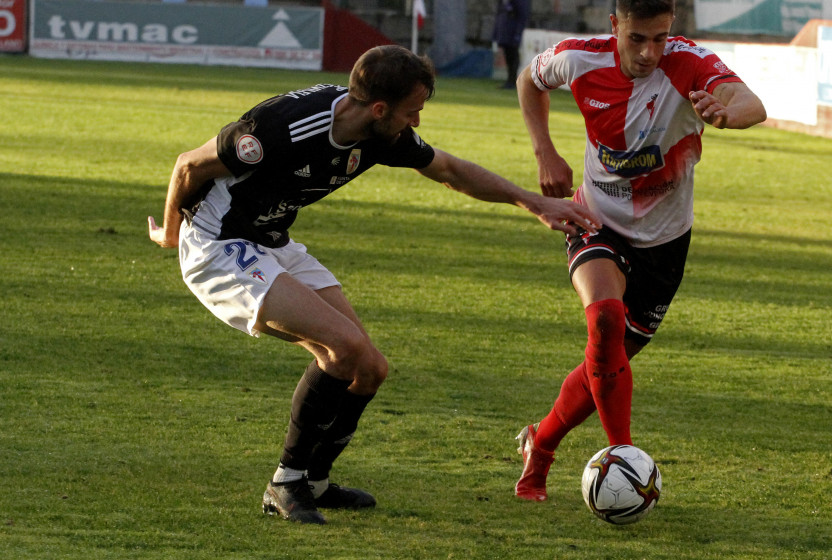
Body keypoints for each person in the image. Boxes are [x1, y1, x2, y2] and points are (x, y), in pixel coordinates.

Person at [147, 45, 600, 524]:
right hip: (219, 244)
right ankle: (285, 483)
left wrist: (533, 203)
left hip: (271, 240)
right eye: (413, 111)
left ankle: (314, 481)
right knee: (342, 347)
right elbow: (187, 166)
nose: (417, 122)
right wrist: (173, 234)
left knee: (371, 368)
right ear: (380, 109)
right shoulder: (282, 128)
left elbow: (447, 170)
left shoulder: (381, 133)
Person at [513, 0, 767, 502]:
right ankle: (625, 461)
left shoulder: (689, 62)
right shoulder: (580, 57)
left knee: (606, 362)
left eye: (660, 37)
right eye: (637, 39)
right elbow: (528, 81)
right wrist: (545, 151)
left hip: (666, 239)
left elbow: (750, 103)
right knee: (603, 319)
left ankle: (542, 443)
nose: (650, 52)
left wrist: (726, 114)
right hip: (595, 220)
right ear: (615, 26)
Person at [492, 0, 529, 89]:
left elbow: (522, 16)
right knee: (508, 57)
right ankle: (509, 80)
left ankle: (513, 81)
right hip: (505, 34)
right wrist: (496, 34)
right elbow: (499, 17)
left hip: (513, 33)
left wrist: (517, 33)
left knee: (513, 57)